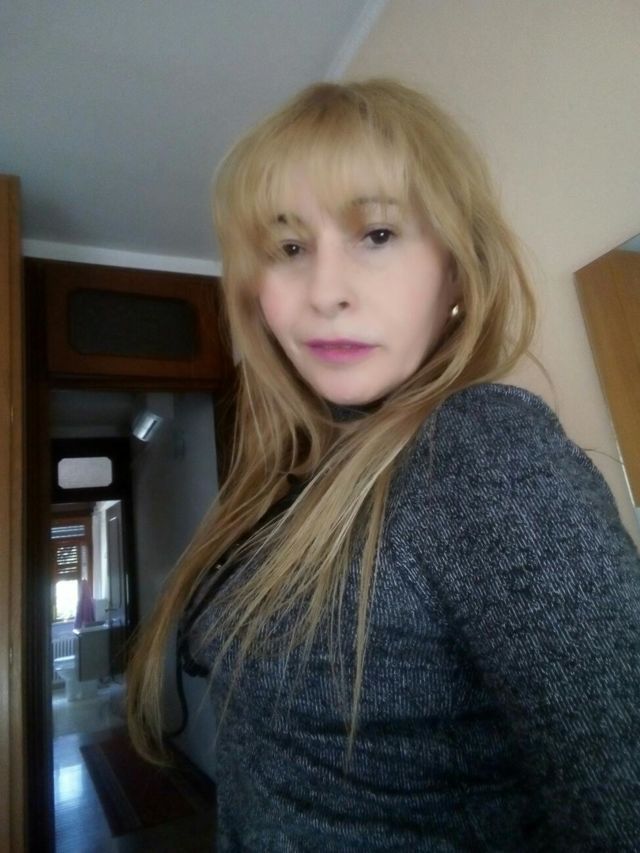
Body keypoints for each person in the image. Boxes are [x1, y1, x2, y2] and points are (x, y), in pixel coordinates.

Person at [126, 79, 640, 850]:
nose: (325, 292)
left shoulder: (481, 445)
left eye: (376, 234)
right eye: (290, 248)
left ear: (457, 271)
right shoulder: (301, 477)